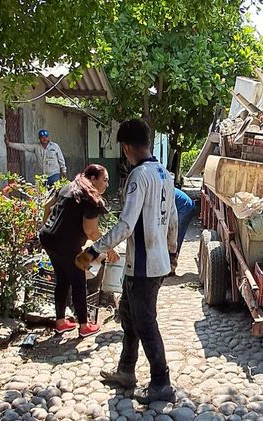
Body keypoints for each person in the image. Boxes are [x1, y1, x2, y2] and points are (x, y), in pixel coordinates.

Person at [75, 119, 178, 404]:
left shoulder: (138, 176)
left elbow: (125, 225)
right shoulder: (164, 174)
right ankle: (126, 371)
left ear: (126, 147)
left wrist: (94, 250)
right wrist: (172, 252)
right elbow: (172, 217)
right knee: (130, 318)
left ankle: (161, 383)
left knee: (145, 324)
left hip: (143, 266)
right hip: (155, 262)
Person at [39, 164, 112, 338]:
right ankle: (84, 326)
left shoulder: (68, 187)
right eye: (105, 180)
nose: (107, 184)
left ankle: (61, 322)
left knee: (62, 279)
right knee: (78, 281)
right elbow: (91, 231)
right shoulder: (90, 198)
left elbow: (47, 206)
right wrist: (110, 247)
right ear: (93, 179)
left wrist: (46, 227)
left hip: (47, 238)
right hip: (65, 243)